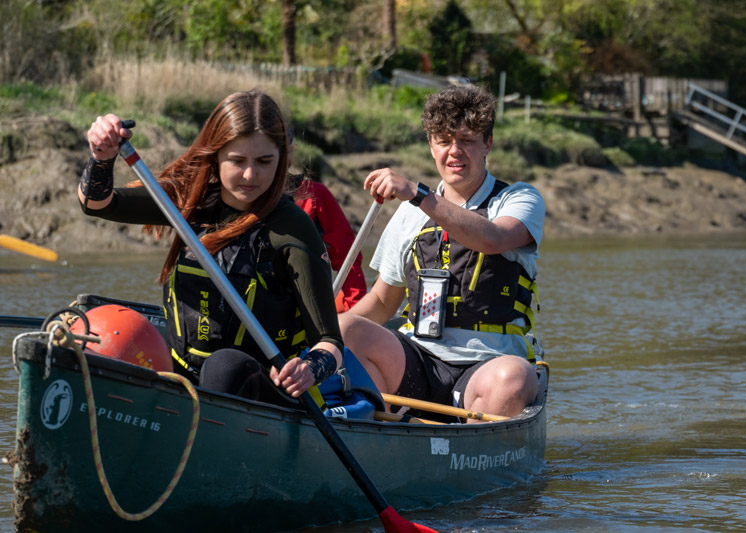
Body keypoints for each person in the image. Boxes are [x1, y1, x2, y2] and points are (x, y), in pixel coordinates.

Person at [78, 90, 343, 405]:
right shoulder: (186, 200)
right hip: (185, 377)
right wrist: (102, 157)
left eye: (264, 161)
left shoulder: (292, 228)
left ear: (281, 159)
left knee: (223, 365)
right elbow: (96, 204)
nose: (250, 175)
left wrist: (310, 369)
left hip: (261, 392)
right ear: (215, 156)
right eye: (237, 160)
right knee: (95, 323)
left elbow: (330, 342)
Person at [338, 84, 545, 422]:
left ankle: (472, 452)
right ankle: (378, 432)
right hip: (417, 360)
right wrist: (322, 336)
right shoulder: (408, 214)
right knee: (345, 331)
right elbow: (381, 302)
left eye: (467, 140)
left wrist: (417, 194)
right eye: (444, 141)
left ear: (487, 143)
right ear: (431, 145)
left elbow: (493, 238)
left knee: (515, 378)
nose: (455, 152)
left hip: (489, 365)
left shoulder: (520, 199)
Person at [292, 176, 367, 312]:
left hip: (306, 301)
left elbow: (347, 256)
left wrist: (356, 312)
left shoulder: (314, 194)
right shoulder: (244, 196)